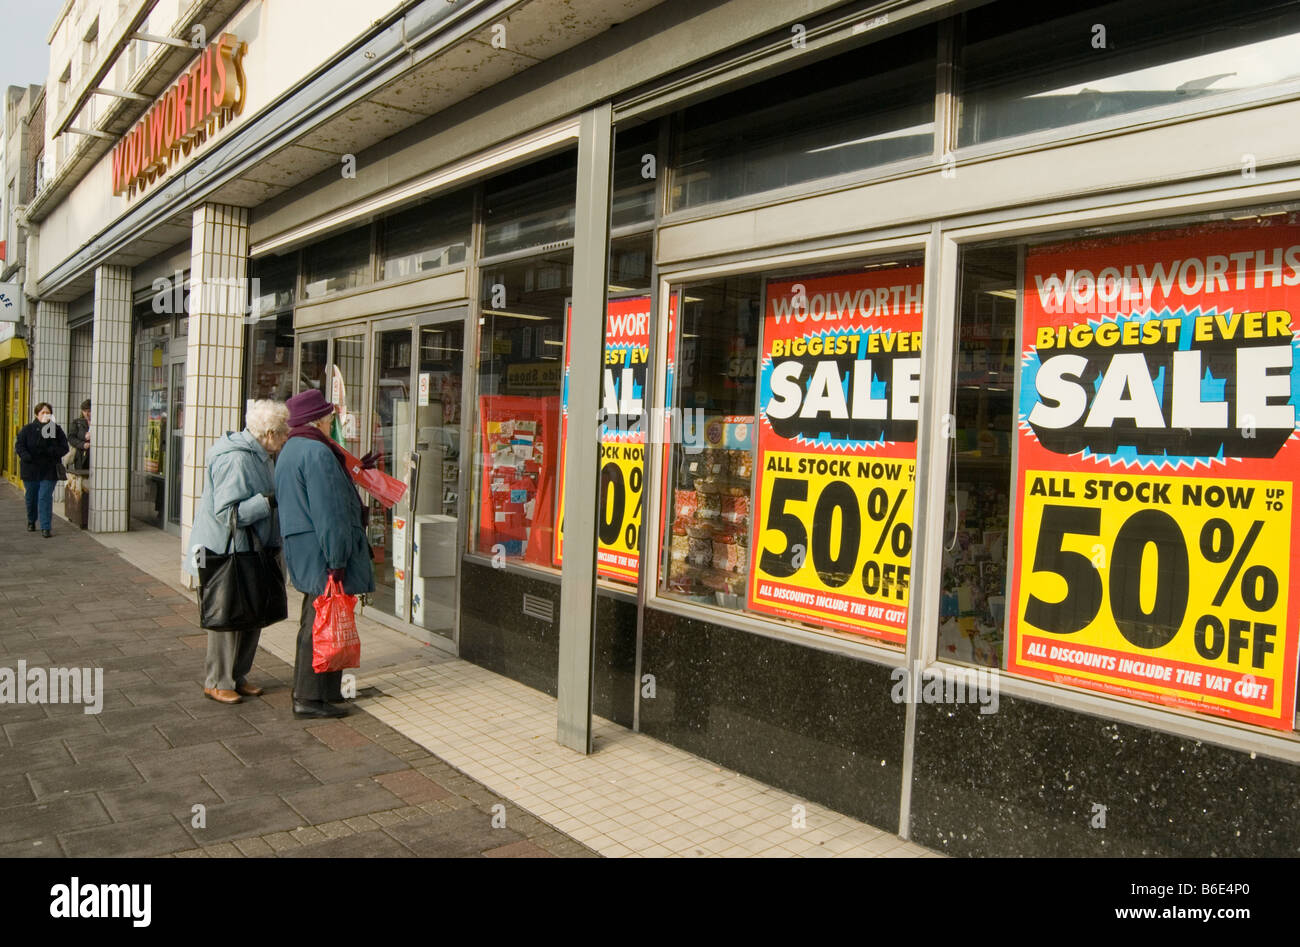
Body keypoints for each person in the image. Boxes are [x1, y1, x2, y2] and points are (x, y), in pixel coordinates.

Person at [275, 389, 374, 719]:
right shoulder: (317, 453)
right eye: (329, 416)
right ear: (316, 420)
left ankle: (324, 692)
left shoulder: (292, 448)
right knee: (319, 623)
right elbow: (329, 512)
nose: (333, 420)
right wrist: (336, 561)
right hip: (321, 552)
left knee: (316, 621)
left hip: (303, 549)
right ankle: (309, 698)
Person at [183, 400, 290, 704]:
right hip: (225, 553)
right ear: (268, 433)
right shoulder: (236, 459)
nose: (285, 438)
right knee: (227, 616)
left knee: (250, 614)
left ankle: (237, 676)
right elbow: (229, 514)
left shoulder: (261, 455)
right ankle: (217, 680)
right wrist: (267, 502)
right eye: (282, 432)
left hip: (251, 551)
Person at [14, 403, 69, 538]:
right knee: (31, 497)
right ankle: (31, 520)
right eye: (43, 413)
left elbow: (64, 447)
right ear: (36, 415)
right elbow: (19, 445)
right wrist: (26, 456)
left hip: (49, 469)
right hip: (31, 469)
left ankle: (46, 527)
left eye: (48, 413)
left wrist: (52, 450)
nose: (45, 415)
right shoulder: (28, 429)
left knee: (44, 497)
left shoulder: (56, 430)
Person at [67, 399, 91, 473]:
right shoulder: (77, 423)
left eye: (89, 411)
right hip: (81, 456)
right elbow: (71, 438)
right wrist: (82, 444)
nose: (86, 414)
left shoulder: (101, 422)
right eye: (84, 411)